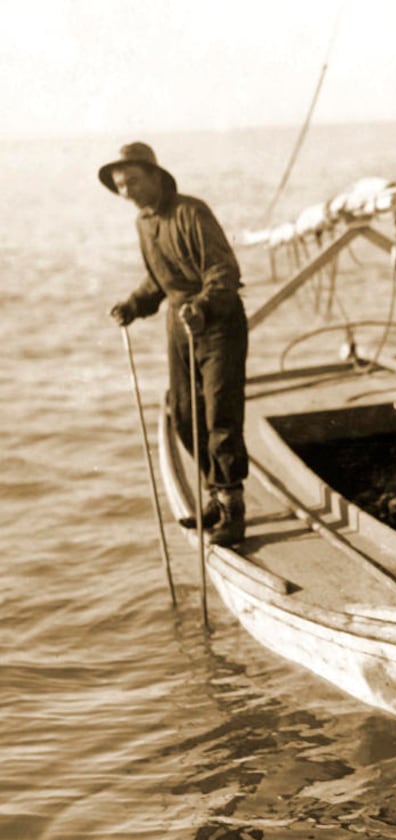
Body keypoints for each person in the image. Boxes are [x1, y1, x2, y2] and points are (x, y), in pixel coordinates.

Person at [101, 142, 249, 547]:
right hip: (178, 325)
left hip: (217, 322)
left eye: (132, 180)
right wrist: (133, 304)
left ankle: (233, 508)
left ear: (155, 176)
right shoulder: (144, 224)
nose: (126, 190)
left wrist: (203, 305)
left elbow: (223, 270)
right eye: (119, 185)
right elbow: (159, 280)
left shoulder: (191, 211)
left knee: (220, 412)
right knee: (185, 414)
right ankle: (214, 496)